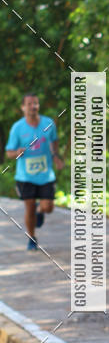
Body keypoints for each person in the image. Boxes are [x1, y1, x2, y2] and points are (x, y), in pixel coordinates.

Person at [5, 93, 64, 250]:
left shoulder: (48, 123)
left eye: (35, 103)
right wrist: (17, 152)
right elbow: (9, 152)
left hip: (45, 175)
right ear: (23, 107)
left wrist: (56, 156)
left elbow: (54, 140)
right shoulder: (17, 128)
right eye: (29, 104)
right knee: (29, 207)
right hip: (25, 176)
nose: (33, 107)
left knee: (48, 207)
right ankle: (32, 238)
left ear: (38, 106)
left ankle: (41, 209)